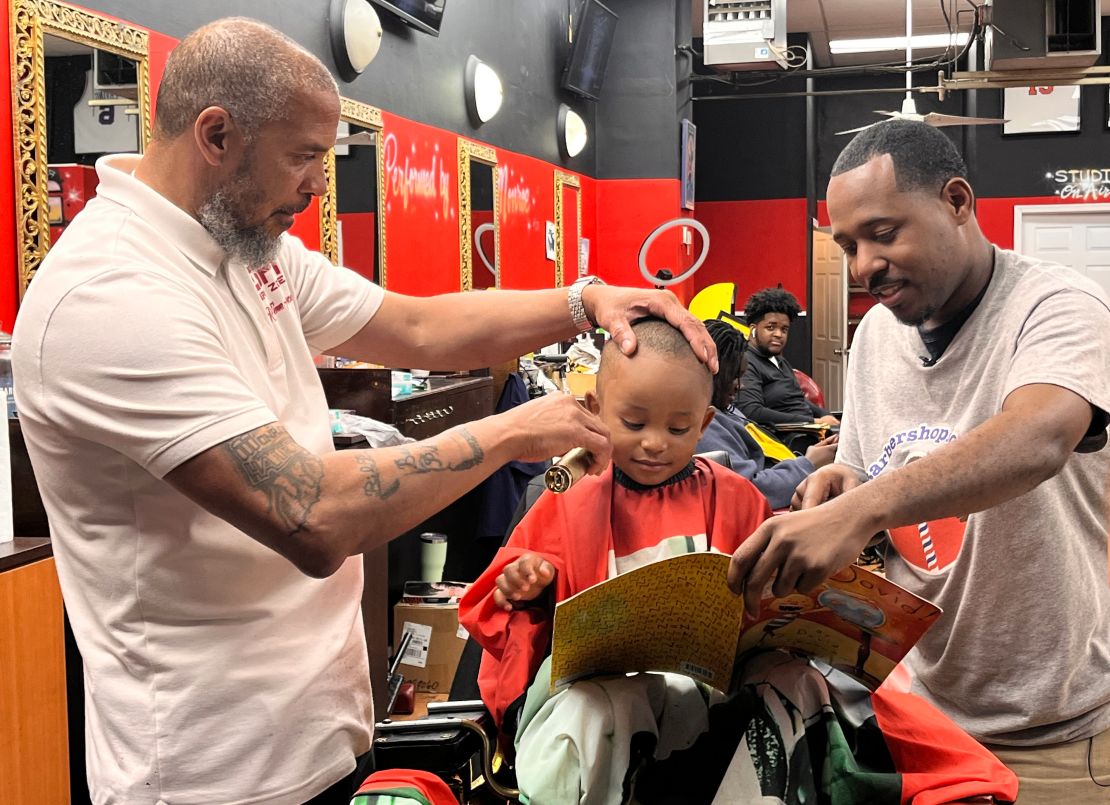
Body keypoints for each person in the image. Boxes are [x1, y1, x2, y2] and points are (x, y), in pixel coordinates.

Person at [9, 19, 718, 805]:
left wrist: (587, 299)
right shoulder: (113, 295)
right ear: (216, 135)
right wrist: (515, 428)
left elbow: (417, 325)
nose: (318, 186)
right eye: (303, 156)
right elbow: (313, 515)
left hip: (316, 734)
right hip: (206, 772)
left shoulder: (249, 249)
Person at [461, 319, 1015, 804]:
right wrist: (523, 586)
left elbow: (779, 597)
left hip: (714, 691)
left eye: (678, 429)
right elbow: (498, 615)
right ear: (595, 410)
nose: (655, 443)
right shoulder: (567, 499)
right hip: (602, 695)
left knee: (794, 682)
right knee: (601, 709)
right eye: (633, 423)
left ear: (703, 426)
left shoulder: (734, 497)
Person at [728, 119, 1110, 803]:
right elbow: (870, 474)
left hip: (1059, 736)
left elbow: (1040, 434)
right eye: (847, 245)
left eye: (883, 233)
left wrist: (864, 504)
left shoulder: (1058, 307)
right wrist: (842, 486)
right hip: (920, 722)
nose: (862, 266)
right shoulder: (877, 334)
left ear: (958, 202)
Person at [697, 318, 838, 509]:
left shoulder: (728, 410)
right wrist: (808, 464)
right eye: (734, 377)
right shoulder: (706, 425)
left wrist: (808, 457)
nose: (740, 386)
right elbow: (750, 489)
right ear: (711, 374)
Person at [736, 286, 840, 432]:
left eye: (784, 329)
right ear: (753, 329)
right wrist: (814, 421)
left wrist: (826, 415)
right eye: (771, 327)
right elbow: (752, 412)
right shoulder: (746, 362)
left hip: (808, 430)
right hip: (786, 438)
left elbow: (795, 399)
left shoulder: (779, 361)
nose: (779, 334)